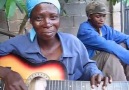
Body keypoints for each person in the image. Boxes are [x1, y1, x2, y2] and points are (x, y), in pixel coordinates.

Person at [0, 0, 112, 90]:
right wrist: (6, 73)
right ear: (31, 21)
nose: (47, 24)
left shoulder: (73, 42)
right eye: (39, 18)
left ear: (59, 19)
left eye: (53, 17)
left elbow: (86, 64)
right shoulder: (19, 43)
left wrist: (95, 73)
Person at [77, 1, 129, 81]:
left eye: (104, 16)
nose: (102, 20)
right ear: (90, 16)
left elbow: (125, 38)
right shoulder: (85, 31)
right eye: (98, 16)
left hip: (100, 64)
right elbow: (109, 46)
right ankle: (122, 85)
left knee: (123, 44)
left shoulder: (104, 28)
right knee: (109, 55)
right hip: (88, 67)